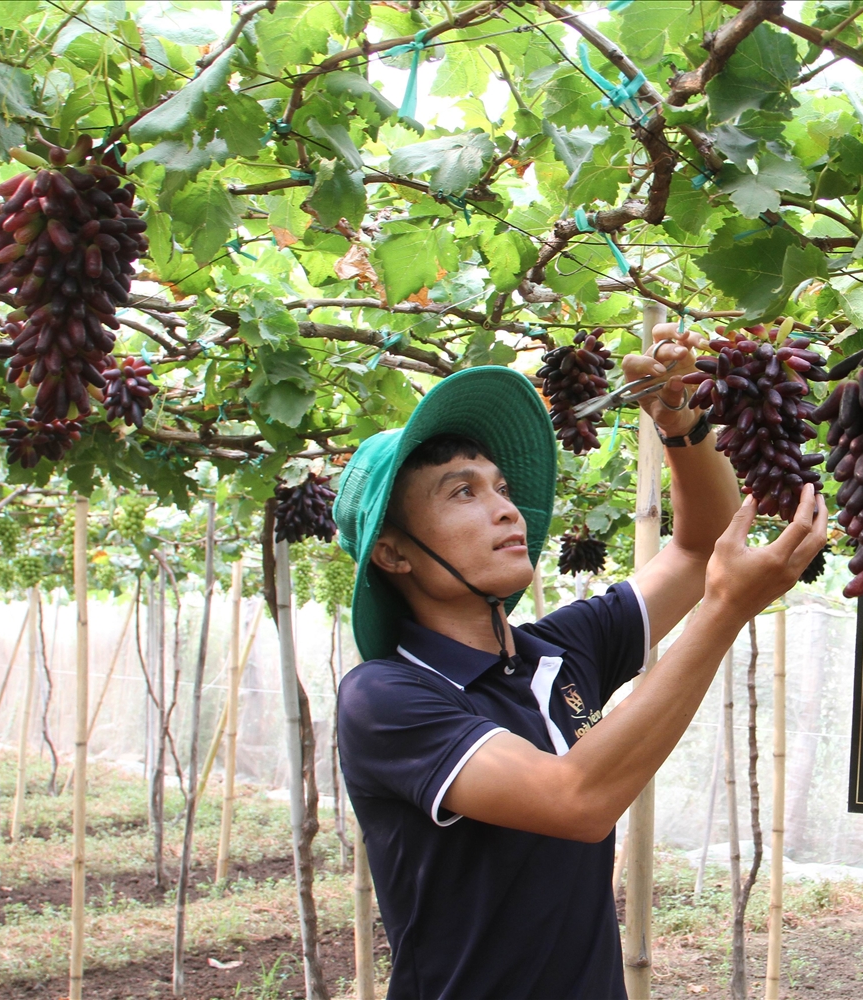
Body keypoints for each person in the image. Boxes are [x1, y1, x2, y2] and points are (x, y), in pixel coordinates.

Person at [332, 326, 828, 999]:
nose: (506, 508)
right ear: (393, 554)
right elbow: (577, 799)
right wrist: (724, 612)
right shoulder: (386, 696)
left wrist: (677, 418)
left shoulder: (561, 649)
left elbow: (696, 549)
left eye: (501, 487)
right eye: (462, 493)